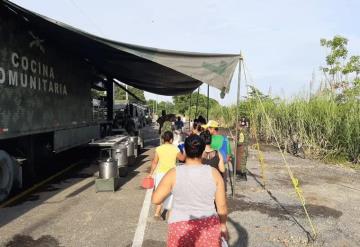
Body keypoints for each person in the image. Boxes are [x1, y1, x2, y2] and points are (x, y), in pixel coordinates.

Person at [152, 134, 228, 247]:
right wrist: (222, 225)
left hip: (180, 226)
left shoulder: (173, 173)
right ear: (202, 152)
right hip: (208, 226)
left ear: (185, 151)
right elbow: (221, 206)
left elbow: (156, 199)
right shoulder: (214, 173)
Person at [148, 131, 185, 220]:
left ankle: (157, 214)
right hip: (172, 174)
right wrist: (184, 150)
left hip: (160, 174)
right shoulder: (175, 149)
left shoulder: (158, 149)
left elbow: (155, 162)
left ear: (163, 139)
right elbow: (182, 159)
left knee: (161, 193)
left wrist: (150, 174)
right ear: (171, 139)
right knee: (172, 194)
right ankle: (170, 216)